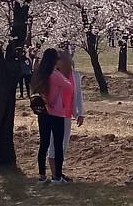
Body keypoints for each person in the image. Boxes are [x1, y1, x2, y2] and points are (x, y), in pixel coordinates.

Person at [31, 47, 72, 184]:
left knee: (44, 143)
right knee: (58, 144)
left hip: (43, 112)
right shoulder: (55, 75)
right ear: (55, 60)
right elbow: (69, 87)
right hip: (56, 113)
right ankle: (57, 176)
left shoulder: (40, 74)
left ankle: (42, 175)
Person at [48, 52, 85, 182]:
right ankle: (55, 175)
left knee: (63, 145)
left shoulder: (75, 76)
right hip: (54, 115)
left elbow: (78, 96)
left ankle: (59, 173)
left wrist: (80, 113)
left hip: (67, 115)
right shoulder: (53, 75)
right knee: (54, 145)